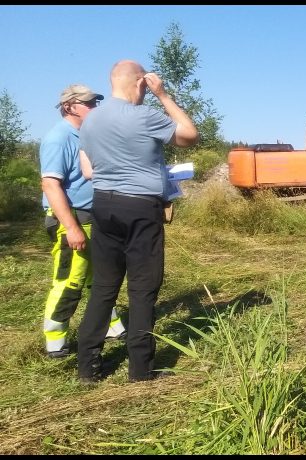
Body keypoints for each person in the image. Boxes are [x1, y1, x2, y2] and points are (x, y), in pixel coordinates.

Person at [76, 60, 198, 383]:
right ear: (141, 83)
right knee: (142, 288)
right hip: (140, 208)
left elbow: (89, 169)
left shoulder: (90, 120)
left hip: (102, 204)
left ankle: (87, 366)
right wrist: (164, 95)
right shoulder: (145, 115)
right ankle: (141, 369)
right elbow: (189, 135)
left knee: (104, 287)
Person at [39, 84, 126, 359]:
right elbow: (50, 185)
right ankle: (55, 340)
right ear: (69, 106)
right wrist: (71, 228)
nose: (94, 107)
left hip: (92, 216)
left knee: (99, 277)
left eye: (95, 102)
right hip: (72, 218)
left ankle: (111, 325)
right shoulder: (59, 138)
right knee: (70, 280)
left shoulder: (86, 135)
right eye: (88, 103)